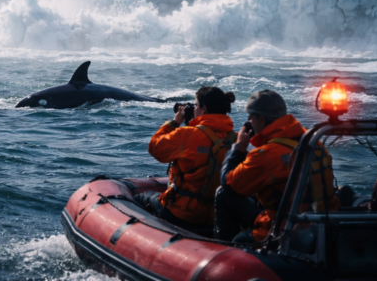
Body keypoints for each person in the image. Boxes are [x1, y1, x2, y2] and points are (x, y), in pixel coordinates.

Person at [215, 90, 339, 243]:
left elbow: (230, 186)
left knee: (226, 201)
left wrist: (238, 148)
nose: (248, 121)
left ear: (261, 119)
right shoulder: (313, 142)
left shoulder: (266, 154)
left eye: (250, 117)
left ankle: (222, 248)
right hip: (323, 221)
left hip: (287, 229)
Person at [139, 87, 236, 230]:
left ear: (203, 109)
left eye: (195, 105)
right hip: (218, 217)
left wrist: (174, 123)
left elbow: (155, 147)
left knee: (142, 197)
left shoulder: (186, 135)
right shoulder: (237, 139)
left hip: (183, 213)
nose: (194, 108)